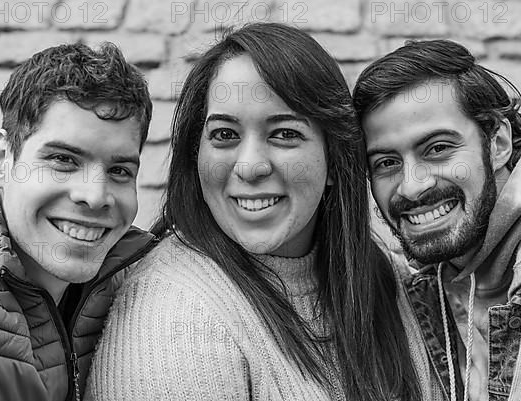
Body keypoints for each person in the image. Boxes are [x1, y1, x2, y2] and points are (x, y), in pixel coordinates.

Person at [87, 23, 420, 401]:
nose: (249, 167)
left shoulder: (384, 276)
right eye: (225, 135)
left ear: (334, 158)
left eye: (284, 133)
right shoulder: (176, 316)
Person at [353, 39, 521, 401]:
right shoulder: (417, 295)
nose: (412, 186)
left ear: (497, 143)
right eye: (386, 162)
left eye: (437, 148)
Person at [0, 42, 156, 401]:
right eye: (63, 160)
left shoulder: (139, 288)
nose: (95, 195)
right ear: (0, 160)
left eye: (119, 170)